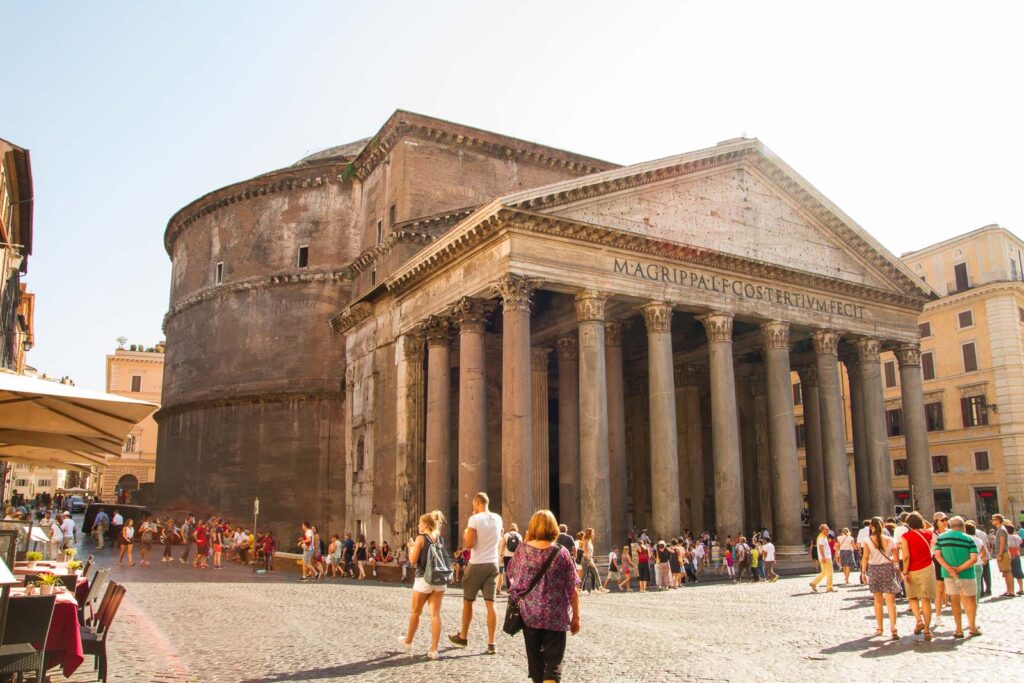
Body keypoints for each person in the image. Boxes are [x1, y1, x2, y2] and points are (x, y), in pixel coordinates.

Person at [506, 510, 581, 683]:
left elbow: (511, 573)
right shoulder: (562, 553)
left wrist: (525, 542)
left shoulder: (523, 550)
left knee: (536, 666)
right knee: (553, 665)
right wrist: (576, 616)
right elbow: (573, 588)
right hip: (556, 615)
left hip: (530, 615)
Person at [450, 492, 502, 655]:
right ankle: (492, 642)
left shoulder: (475, 519)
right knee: (491, 604)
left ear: (477, 503)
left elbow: (470, 543)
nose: (473, 507)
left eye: (473, 505)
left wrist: (466, 532)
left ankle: (463, 636)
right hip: (493, 563)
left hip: (478, 563)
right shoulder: (498, 518)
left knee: (468, 602)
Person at [397, 510, 447, 660]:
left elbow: (412, 560)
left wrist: (412, 547)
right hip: (439, 580)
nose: (418, 525)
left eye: (420, 522)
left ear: (425, 525)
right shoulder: (440, 538)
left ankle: (408, 642)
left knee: (415, 612)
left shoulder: (421, 538)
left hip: (423, 579)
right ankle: (434, 650)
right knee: (435, 615)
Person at [934, 515, 980, 638]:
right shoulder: (969, 539)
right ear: (963, 526)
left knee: (954, 600)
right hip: (967, 574)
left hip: (949, 574)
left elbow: (937, 555)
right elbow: (974, 558)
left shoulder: (941, 538)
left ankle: (959, 629)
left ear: (949, 525)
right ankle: (972, 626)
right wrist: (959, 569)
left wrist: (949, 569)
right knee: (971, 600)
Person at [862, 516, 901, 639]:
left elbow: (865, 557)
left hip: (874, 569)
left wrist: (863, 572)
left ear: (872, 527)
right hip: (888, 569)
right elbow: (896, 558)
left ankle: (880, 628)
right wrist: (896, 568)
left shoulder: (867, 540)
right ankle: (893, 627)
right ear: (883, 526)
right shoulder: (890, 540)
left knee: (878, 601)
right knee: (891, 601)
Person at [898, 512, 934, 640]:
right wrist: (922, 520)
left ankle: (919, 621)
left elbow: (906, 556)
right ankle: (928, 630)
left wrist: (905, 572)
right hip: (928, 568)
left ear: (908, 524)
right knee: (926, 599)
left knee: (912, 597)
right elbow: (931, 526)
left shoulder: (906, 536)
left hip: (912, 569)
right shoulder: (928, 533)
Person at [931, 512, 951, 626]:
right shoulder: (931, 533)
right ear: (936, 522)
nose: (945, 522)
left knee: (956, 589)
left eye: (946, 520)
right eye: (942, 520)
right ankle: (938, 616)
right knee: (939, 589)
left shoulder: (950, 533)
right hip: (937, 560)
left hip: (949, 559)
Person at [991, 514, 1014, 597]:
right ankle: (1008, 590)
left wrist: (1000, 554)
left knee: (1008, 572)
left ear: (998, 520)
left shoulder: (1001, 530)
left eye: (993, 519)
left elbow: (1002, 543)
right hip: (1002, 553)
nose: (992, 521)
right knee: (1005, 573)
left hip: (1003, 553)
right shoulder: (999, 529)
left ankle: (1011, 591)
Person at [809, 524, 835, 593]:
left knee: (824, 572)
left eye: (828, 528)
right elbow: (820, 548)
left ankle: (814, 583)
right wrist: (823, 557)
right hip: (826, 557)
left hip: (824, 557)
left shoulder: (823, 536)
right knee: (830, 572)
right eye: (827, 529)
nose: (828, 530)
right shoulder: (822, 537)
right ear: (823, 530)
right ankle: (829, 587)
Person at [498, 523, 522, 594]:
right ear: (516, 528)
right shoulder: (519, 535)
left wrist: (501, 554)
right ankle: (514, 588)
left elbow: (502, 545)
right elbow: (521, 546)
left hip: (507, 556)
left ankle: (509, 588)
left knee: (508, 572)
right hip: (516, 556)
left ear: (510, 528)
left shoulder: (506, 535)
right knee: (515, 572)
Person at [580, 528, 605, 593]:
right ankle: (579, 589)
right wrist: (590, 560)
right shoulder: (585, 540)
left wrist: (591, 559)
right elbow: (585, 552)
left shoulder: (589, 541)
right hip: (586, 559)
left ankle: (600, 588)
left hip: (589, 559)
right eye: (592, 533)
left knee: (596, 572)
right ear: (590, 534)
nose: (594, 534)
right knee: (584, 575)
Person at [1006, 522, 1024, 595]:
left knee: (1009, 573)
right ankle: (1021, 588)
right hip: (1017, 554)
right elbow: (1020, 543)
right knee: (1019, 572)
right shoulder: (1017, 537)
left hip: (1009, 555)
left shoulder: (1007, 537)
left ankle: (1010, 590)